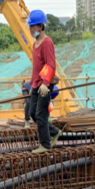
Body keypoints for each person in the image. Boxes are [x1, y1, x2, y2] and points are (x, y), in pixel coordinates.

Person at [27, 10, 61, 154]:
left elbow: (50, 65)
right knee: (32, 113)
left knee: (41, 115)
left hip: (45, 86)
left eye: (32, 27)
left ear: (40, 26)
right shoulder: (35, 43)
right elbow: (37, 67)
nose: (30, 29)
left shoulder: (47, 43)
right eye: (29, 27)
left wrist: (45, 84)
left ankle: (45, 145)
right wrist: (32, 84)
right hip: (36, 84)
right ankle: (54, 132)